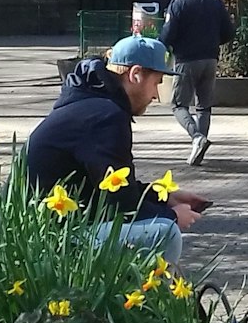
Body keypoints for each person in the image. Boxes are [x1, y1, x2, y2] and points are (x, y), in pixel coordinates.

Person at [27, 35, 211, 264]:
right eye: (156, 83)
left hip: (46, 230)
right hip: (52, 240)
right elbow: (121, 205)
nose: (155, 95)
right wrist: (172, 215)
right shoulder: (106, 116)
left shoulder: (90, 102)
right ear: (135, 75)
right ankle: (155, 298)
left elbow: (114, 189)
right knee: (164, 232)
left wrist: (164, 197)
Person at [159, 0, 236, 166]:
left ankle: (196, 137)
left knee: (178, 104)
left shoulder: (179, 5)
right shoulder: (215, 2)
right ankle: (199, 148)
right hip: (210, 60)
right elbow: (228, 32)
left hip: (186, 61)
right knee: (204, 106)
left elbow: (167, 35)